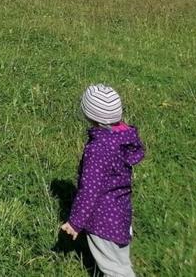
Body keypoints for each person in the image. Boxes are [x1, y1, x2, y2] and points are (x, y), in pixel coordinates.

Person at [60, 84, 146, 277]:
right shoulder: (122, 138)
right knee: (118, 262)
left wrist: (75, 222)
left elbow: (89, 189)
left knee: (116, 270)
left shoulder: (98, 148)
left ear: (89, 115)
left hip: (103, 220)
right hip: (120, 212)